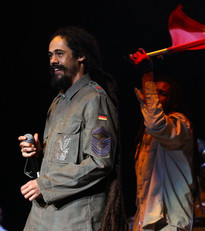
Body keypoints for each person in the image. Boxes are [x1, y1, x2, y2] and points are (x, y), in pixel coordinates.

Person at [18, 26, 127, 231]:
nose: (52, 61)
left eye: (60, 54)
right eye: (50, 55)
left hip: (74, 217)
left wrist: (45, 185)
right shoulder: (58, 101)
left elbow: (100, 162)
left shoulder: (95, 100)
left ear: (81, 56)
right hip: (43, 214)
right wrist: (38, 152)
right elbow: (65, 156)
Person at [129, 48, 194, 231]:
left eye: (163, 93)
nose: (156, 96)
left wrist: (147, 75)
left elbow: (156, 123)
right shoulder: (146, 135)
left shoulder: (180, 124)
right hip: (145, 219)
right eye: (154, 91)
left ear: (174, 101)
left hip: (169, 222)